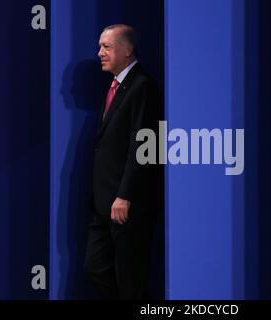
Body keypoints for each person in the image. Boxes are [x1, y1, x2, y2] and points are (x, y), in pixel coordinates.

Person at [84, 24, 163, 300]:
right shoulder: (116, 86)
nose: (100, 53)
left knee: (131, 277)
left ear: (127, 50)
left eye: (107, 47)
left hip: (126, 203)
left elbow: (142, 146)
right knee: (95, 267)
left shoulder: (143, 86)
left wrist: (125, 195)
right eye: (100, 47)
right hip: (103, 202)